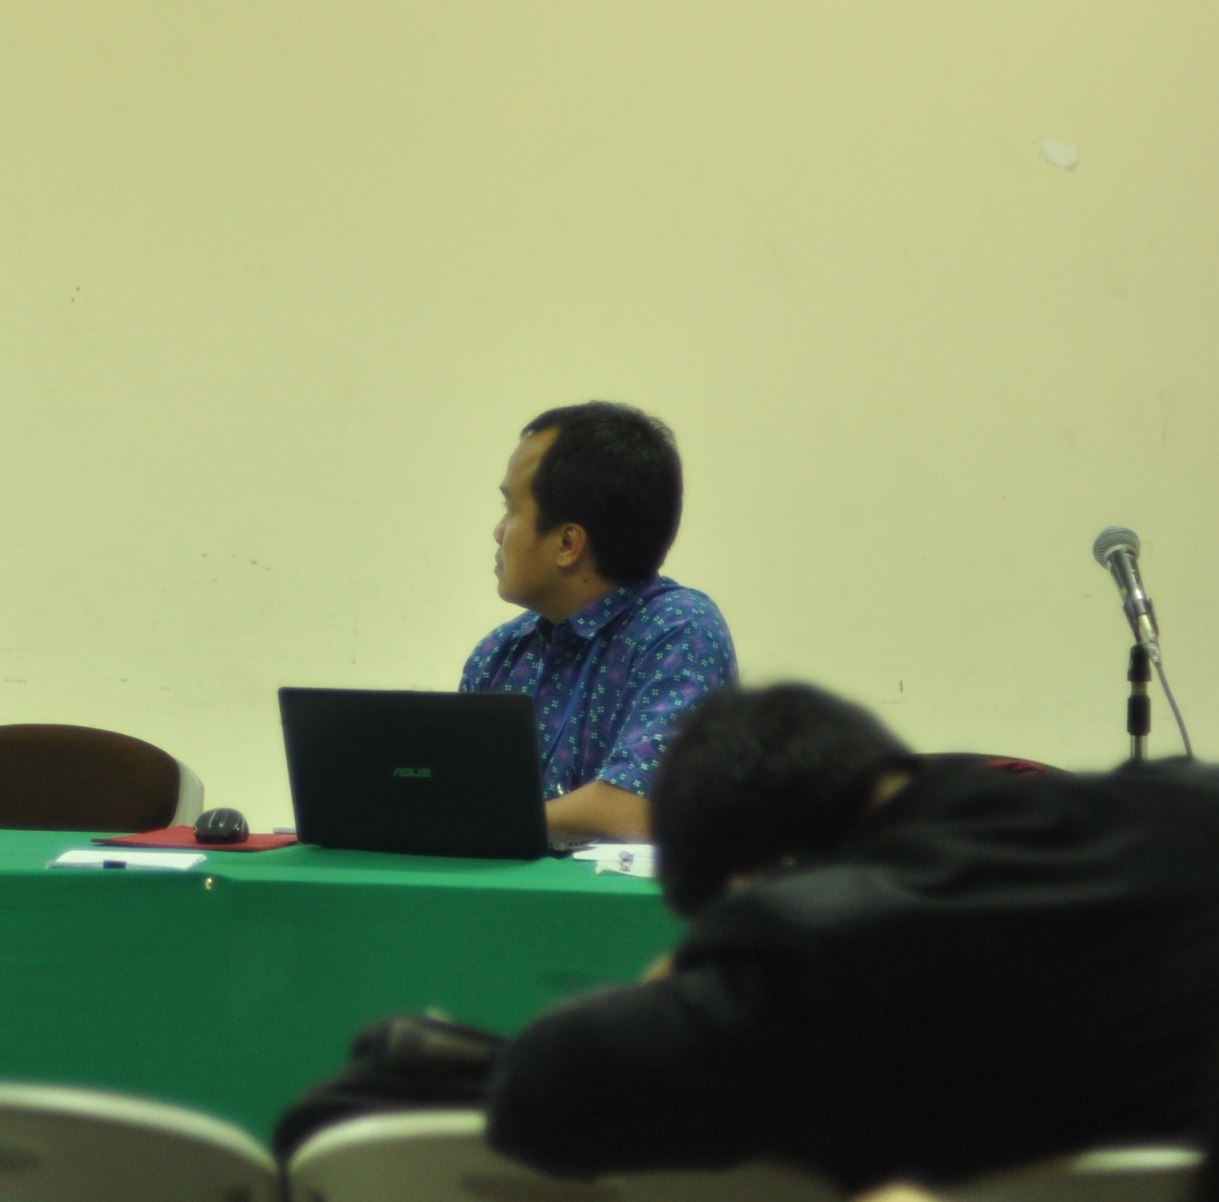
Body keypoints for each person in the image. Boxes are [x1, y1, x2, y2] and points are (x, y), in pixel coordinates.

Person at [485, 683, 1219, 1188]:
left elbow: (541, 1091)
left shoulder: (812, 963)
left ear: (751, 880)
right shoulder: (1188, 814)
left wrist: (697, 961)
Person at [462, 402, 735, 839]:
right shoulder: (501, 653)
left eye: (511, 509)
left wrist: (488, 822)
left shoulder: (681, 631)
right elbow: (458, 799)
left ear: (567, 543)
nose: (498, 532)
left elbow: (639, 809)